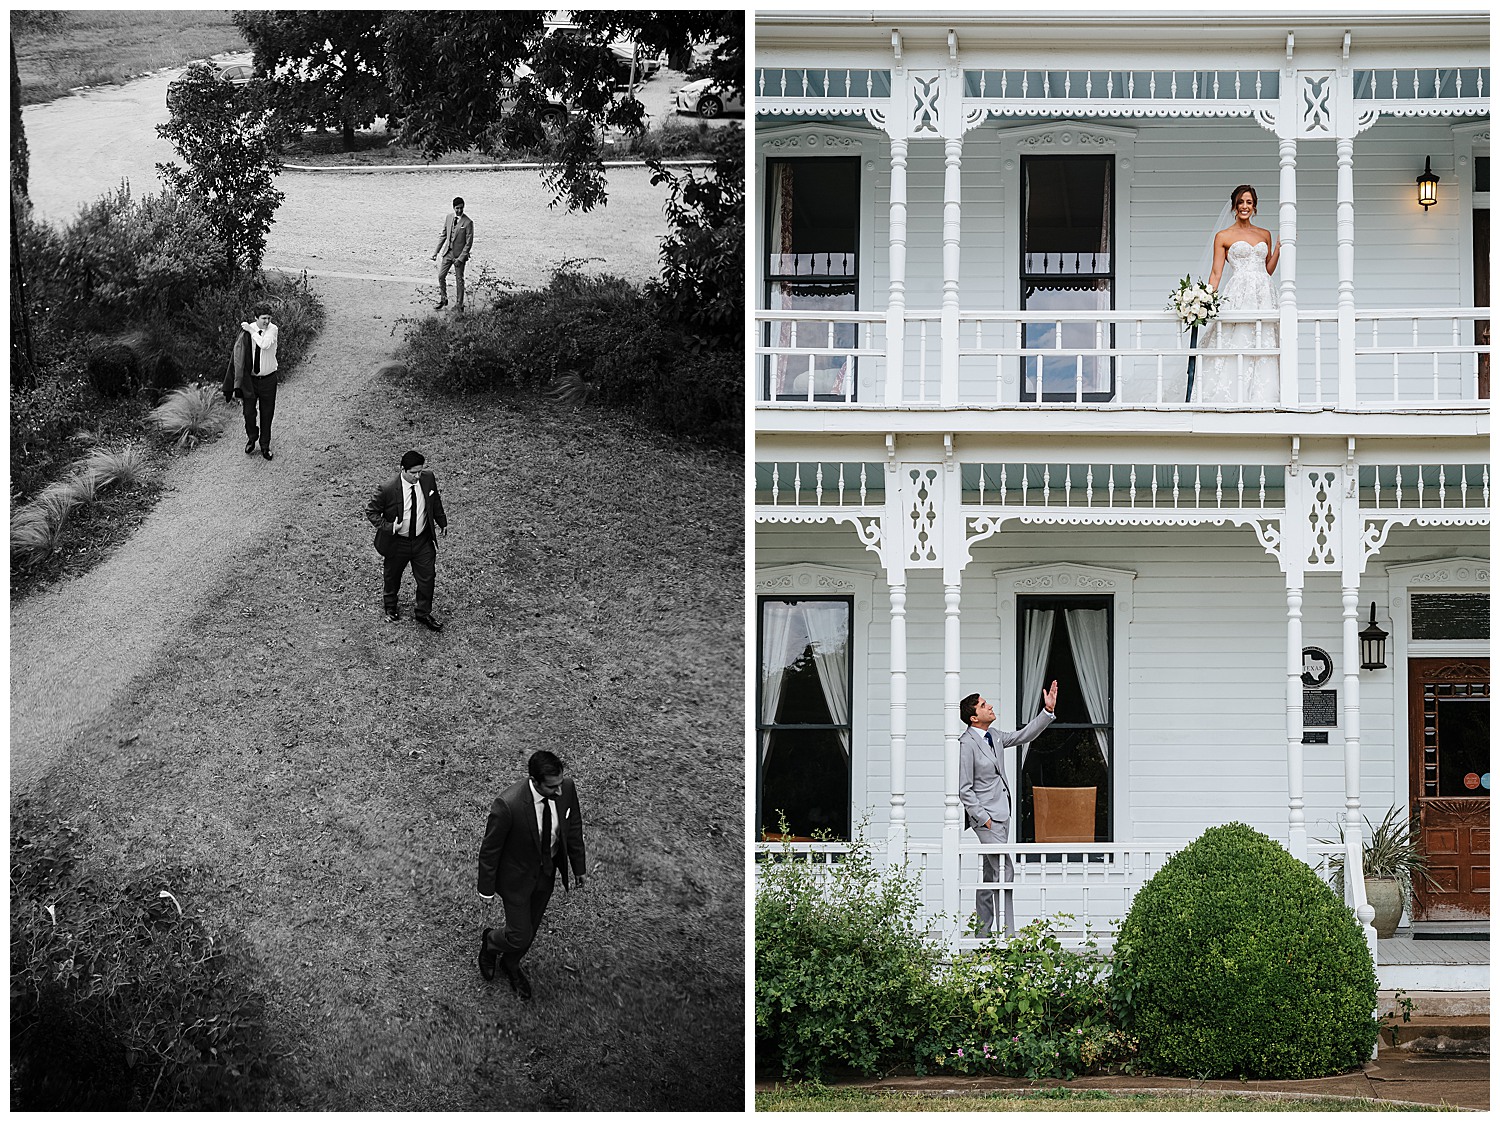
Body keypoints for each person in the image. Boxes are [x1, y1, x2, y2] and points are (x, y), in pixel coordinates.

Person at [477, 750, 587, 1001]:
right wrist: (486, 889)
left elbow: (574, 828)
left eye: (560, 784)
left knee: (531, 928)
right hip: (516, 880)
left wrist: (578, 867)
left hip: (546, 875)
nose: (559, 792)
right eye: (552, 787)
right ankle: (491, 942)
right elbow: (490, 850)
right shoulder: (508, 805)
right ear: (534, 781)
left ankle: (511, 964)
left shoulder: (566, 789)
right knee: (519, 935)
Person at [958, 682, 1059, 937]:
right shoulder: (966, 744)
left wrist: (1047, 712)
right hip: (987, 819)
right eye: (983, 705)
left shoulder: (995, 736)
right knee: (1006, 870)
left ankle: (982, 935)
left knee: (990, 875)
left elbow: (1022, 736)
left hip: (1003, 814)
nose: (990, 706)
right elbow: (964, 789)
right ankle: (1009, 935)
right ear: (973, 717)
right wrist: (984, 819)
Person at [1202, 184, 1280, 404]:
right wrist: (1205, 302)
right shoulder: (1223, 236)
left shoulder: (1264, 234)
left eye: (1249, 202)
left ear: (1254, 206)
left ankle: (1263, 394)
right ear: (1234, 206)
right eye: (1241, 202)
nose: (1245, 206)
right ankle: (1232, 393)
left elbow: (1268, 270)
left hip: (1264, 293)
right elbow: (1216, 273)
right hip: (1239, 292)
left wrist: (1278, 250)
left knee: (1263, 339)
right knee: (1239, 337)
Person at [364, 450, 448, 631]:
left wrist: (442, 521)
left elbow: (435, 501)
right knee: (392, 576)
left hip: (422, 541)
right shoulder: (387, 488)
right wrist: (390, 527)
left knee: (428, 577)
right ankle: (391, 607)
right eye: (413, 473)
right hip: (397, 543)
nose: (418, 476)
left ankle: (423, 612)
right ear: (402, 469)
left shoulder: (427, 478)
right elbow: (371, 511)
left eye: (420, 471)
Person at [239, 305, 279, 460]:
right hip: (251, 380)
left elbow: (265, 344)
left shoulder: (272, 330)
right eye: (263, 318)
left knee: (267, 412)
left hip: (268, 378)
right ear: (256, 318)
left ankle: (265, 445)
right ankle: (252, 437)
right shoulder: (248, 329)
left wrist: (251, 331)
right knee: (248, 412)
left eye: (269, 318)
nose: (267, 321)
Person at [431, 196, 473, 311]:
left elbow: (468, 243)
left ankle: (459, 305)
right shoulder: (449, 218)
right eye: (457, 208)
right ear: (453, 207)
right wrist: (436, 252)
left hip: (459, 256)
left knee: (459, 279)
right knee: (441, 276)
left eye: (461, 208)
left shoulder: (468, 222)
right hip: (448, 253)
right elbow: (444, 235)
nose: (459, 210)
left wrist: (461, 258)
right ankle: (444, 299)